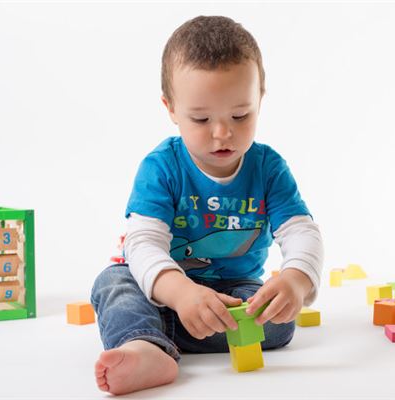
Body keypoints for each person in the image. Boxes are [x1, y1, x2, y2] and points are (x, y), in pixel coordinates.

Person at [91, 15, 324, 395]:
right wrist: (181, 294)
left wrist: (296, 280)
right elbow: (143, 244)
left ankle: (156, 334)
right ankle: (144, 347)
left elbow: (301, 230)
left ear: (260, 99)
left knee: (278, 321)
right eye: (200, 119)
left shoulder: (268, 168)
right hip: (163, 290)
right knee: (113, 282)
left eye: (240, 115)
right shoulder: (162, 167)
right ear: (170, 108)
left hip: (233, 292)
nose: (222, 133)